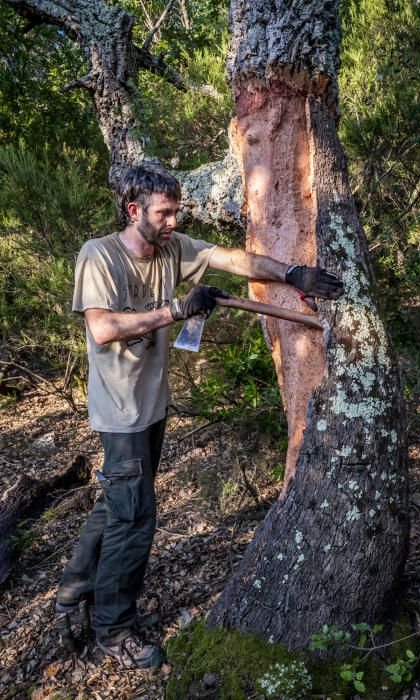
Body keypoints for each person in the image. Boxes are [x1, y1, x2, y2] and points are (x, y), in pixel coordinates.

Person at [55, 162, 343, 669]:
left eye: (176, 212)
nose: (172, 222)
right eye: (164, 213)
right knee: (135, 518)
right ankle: (113, 630)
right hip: (119, 414)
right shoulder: (98, 255)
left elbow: (231, 259)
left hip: (151, 407)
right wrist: (176, 311)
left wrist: (292, 273)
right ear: (133, 210)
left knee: (117, 502)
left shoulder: (172, 248)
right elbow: (102, 330)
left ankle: (72, 590)